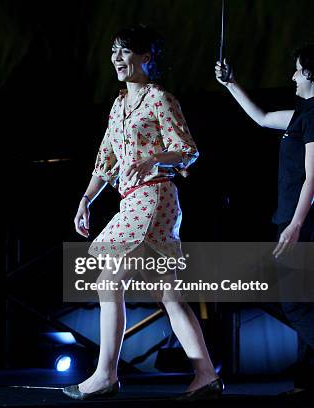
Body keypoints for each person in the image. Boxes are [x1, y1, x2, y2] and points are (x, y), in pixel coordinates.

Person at [64, 25, 222, 401]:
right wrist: (86, 199)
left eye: (125, 52)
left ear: (146, 58)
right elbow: (105, 161)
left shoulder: (159, 99)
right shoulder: (119, 105)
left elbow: (187, 149)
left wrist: (153, 157)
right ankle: (206, 375)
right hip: (131, 198)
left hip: (153, 197)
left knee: (107, 278)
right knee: (166, 293)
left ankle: (106, 375)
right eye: (114, 53)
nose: (117, 59)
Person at [215, 45, 314, 399]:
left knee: (295, 304)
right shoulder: (302, 115)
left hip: (300, 223)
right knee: (305, 301)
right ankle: (306, 383)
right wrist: (231, 84)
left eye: (297, 70)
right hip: (292, 220)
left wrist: (297, 223)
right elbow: (261, 117)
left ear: (311, 76)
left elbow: (312, 177)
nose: (292, 76)